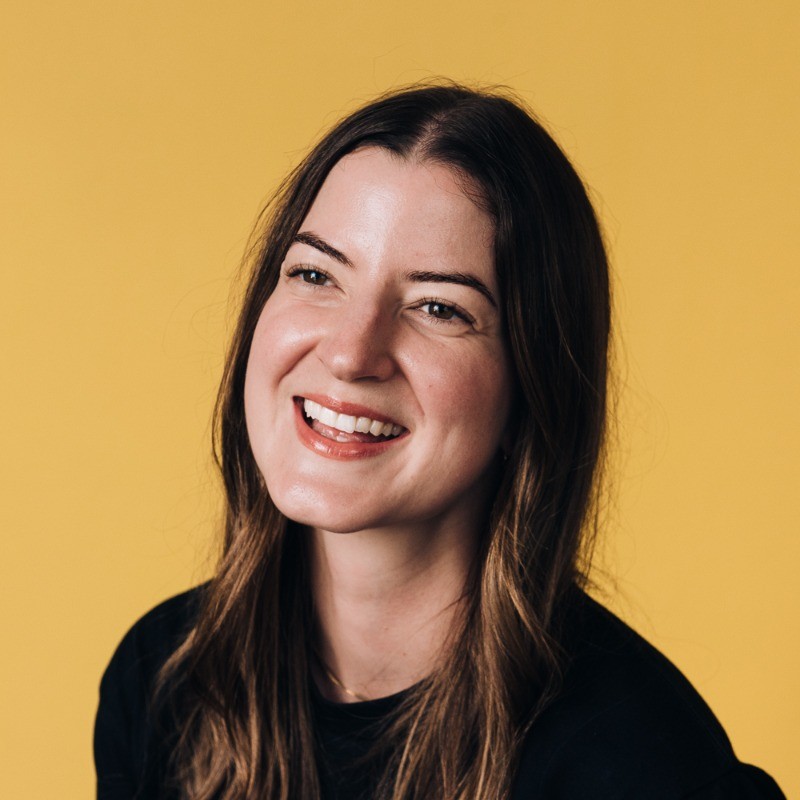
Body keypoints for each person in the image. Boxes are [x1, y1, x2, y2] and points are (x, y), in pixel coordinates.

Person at [94, 83, 785, 800]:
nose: (350, 353)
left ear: (533, 388)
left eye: (438, 308)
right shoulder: (163, 680)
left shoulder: (640, 761)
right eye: (315, 273)